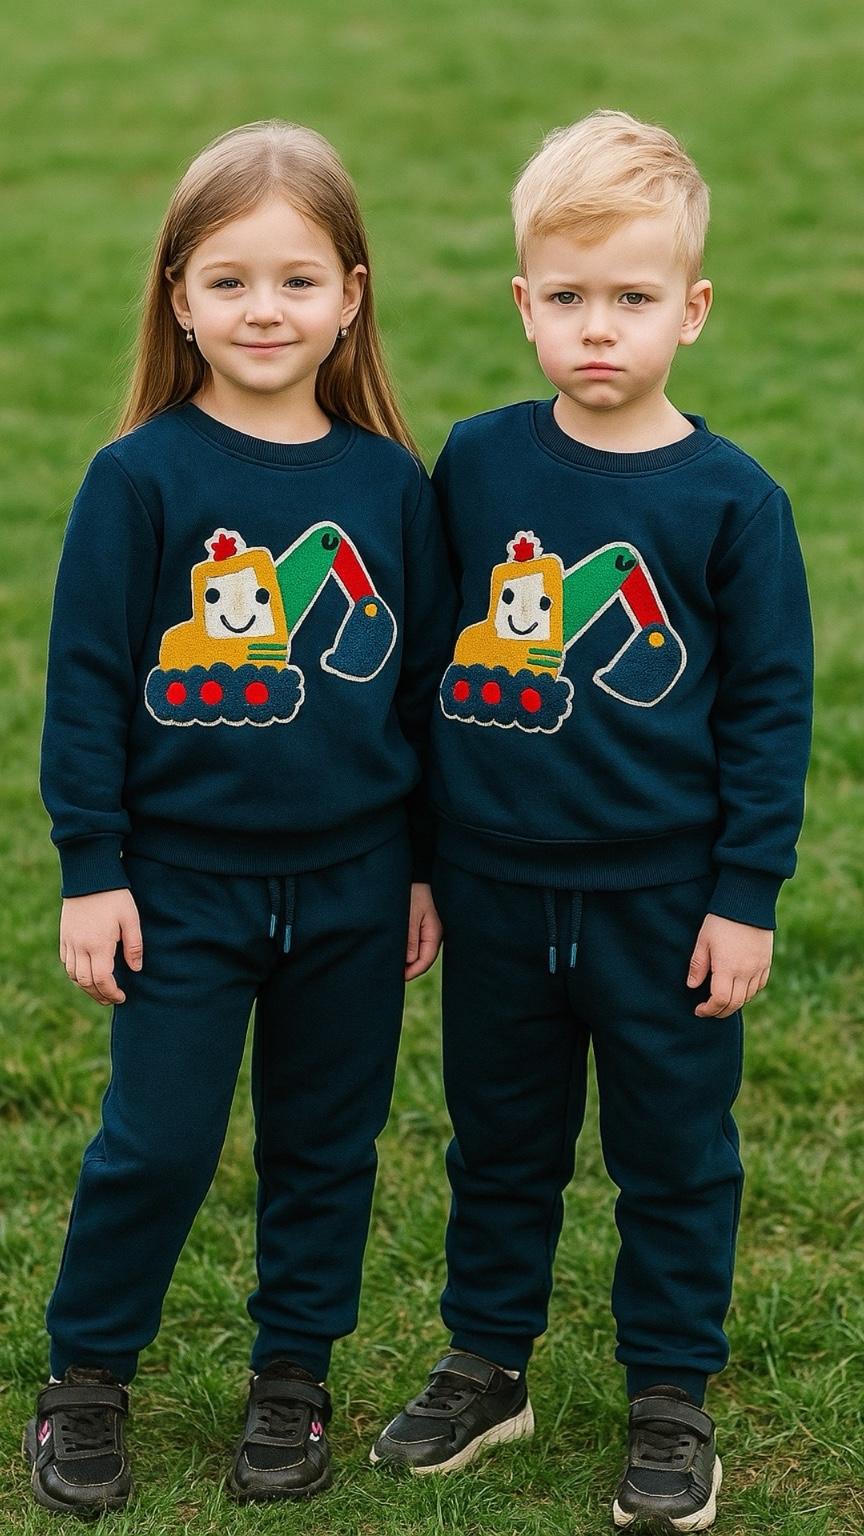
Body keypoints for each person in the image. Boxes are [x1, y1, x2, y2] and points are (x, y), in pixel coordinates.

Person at [371, 109, 813, 1532]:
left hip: (664, 903)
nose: (599, 331)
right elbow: (431, 673)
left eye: (632, 300)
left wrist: (743, 894)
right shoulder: (481, 463)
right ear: (523, 304)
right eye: (568, 300)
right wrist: (427, 866)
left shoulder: (733, 500)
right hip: (497, 888)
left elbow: (769, 716)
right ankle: (489, 1364)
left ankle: (670, 1395)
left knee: (673, 1153)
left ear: (692, 307)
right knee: (498, 1141)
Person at [27, 118, 454, 1517]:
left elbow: (424, 699)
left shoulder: (391, 485)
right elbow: (86, 689)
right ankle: (87, 1377)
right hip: (183, 889)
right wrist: (96, 869)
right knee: (155, 1142)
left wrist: (418, 869)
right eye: (229, 281)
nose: (263, 310)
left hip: (349, 884)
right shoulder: (138, 478)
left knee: (328, 1144)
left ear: (351, 297)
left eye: (295, 280)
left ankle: (293, 1380)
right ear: (179, 299)